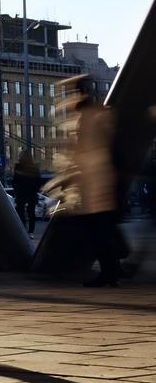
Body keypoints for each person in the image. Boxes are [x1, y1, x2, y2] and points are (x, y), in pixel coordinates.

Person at [74, 90, 122, 286]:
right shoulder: (103, 116)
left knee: (98, 232)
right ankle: (112, 270)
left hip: (95, 183)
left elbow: (82, 149)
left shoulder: (88, 120)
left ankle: (108, 272)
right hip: (103, 181)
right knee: (105, 230)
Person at [12, 150, 42, 237]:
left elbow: (15, 180)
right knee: (31, 212)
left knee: (21, 211)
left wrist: (16, 190)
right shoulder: (34, 167)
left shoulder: (18, 166)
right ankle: (30, 232)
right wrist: (36, 189)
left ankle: (24, 229)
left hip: (22, 192)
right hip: (31, 192)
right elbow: (38, 181)